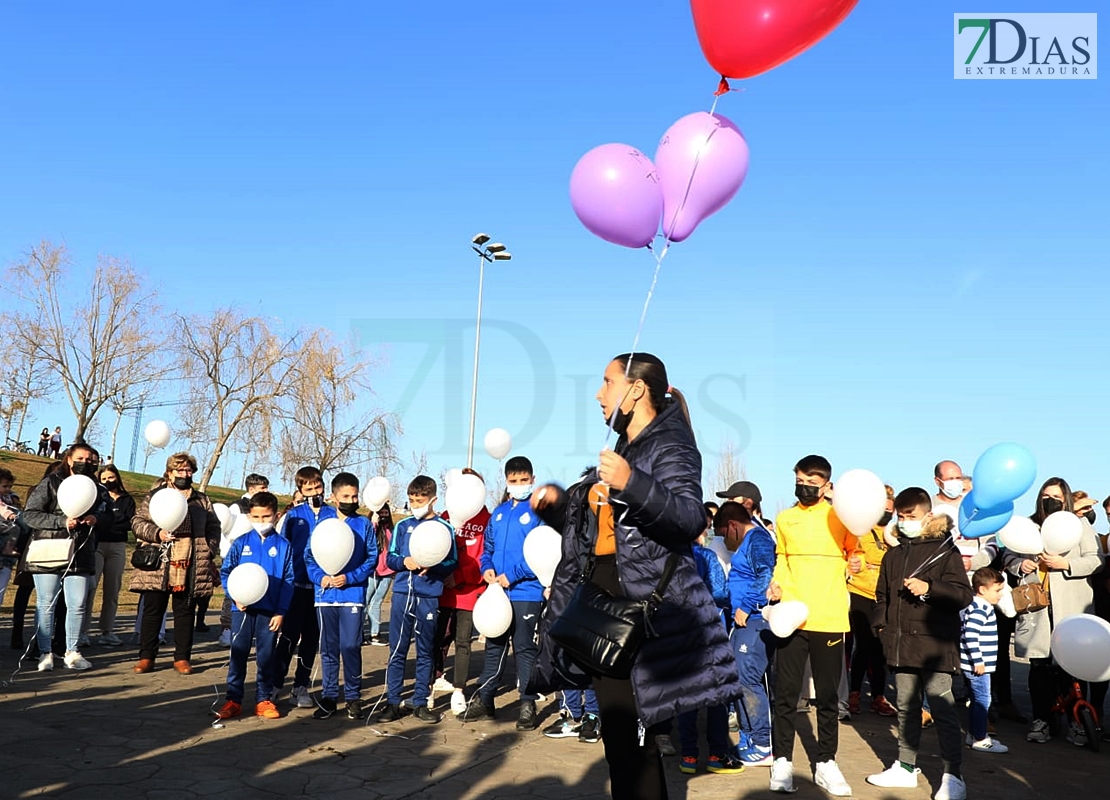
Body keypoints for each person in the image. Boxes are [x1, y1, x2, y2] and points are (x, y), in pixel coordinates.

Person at [530, 352, 742, 800]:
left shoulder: (670, 446)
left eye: (607, 382)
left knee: (634, 740)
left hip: (641, 609)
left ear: (637, 389)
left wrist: (630, 482)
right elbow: (600, 533)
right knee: (621, 740)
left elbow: (688, 519)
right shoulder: (624, 448)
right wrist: (557, 507)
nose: (598, 393)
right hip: (605, 602)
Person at [866, 488, 972, 800]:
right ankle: (905, 767)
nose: (905, 521)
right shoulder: (893, 554)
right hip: (899, 644)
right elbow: (881, 597)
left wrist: (930, 588)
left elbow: (962, 595)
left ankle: (953, 775)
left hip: (935, 646)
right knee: (905, 708)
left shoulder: (945, 550)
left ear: (927, 516)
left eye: (910, 517)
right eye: (901, 516)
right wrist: (881, 626)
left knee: (942, 707)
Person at [766, 455, 858, 796]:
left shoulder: (842, 517)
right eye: (800, 479)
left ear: (827, 486)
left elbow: (855, 554)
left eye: (812, 481)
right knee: (787, 693)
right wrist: (776, 585)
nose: (804, 486)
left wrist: (857, 561)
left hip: (830, 617)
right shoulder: (785, 519)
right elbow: (782, 559)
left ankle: (826, 762)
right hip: (791, 615)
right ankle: (782, 761)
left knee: (829, 696)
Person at [1004, 477, 1101, 745]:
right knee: (1040, 668)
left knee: (1071, 667)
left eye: (1057, 496)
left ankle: (1077, 722)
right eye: (1046, 495)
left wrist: (1065, 564)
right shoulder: (1029, 525)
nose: (1051, 500)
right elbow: (1008, 555)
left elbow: (1096, 560)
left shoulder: (1078, 525)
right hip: (1037, 607)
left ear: (1066, 498)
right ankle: (1041, 720)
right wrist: (1019, 565)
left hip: (1071, 606)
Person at [460, 456, 545, 730]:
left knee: (524, 647)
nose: (518, 485)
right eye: (513, 481)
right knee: (493, 646)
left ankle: (527, 704)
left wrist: (515, 575)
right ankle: (485, 700)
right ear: (506, 481)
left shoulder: (540, 513)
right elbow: (488, 549)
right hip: (497, 592)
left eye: (523, 480)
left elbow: (542, 553)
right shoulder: (498, 513)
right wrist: (486, 569)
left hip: (526, 592)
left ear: (532, 480)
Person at [18, 444, 110, 671]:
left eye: (90, 459)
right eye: (81, 458)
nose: (86, 462)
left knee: (77, 604)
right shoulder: (50, 483)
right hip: (49, 550)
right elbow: (30, 514)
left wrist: (96, 519)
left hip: (81, 553)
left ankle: (72, 651)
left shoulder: (98, 489)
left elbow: (111, 516)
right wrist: (61, 522)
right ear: (69, 459)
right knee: (46, 603)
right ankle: (45, 652)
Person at [129, 451, 221, 675]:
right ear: (169, 473)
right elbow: (138, 522)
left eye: (188, 470)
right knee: (153, 610)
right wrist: (156, 533)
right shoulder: (155, 497)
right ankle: (146, 657)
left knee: (185, 611)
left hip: (190, 562)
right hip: (159, 562)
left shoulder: (202, 500)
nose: (184, 473)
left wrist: (209, 547)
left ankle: (182, 658)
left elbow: (214, 526)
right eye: (179, 470)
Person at [378, 475, 457, 724]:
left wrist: (433, 566)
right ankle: (393, 701)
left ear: (433, 499)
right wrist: (405, 562)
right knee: (397, 649)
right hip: (402, 595)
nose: (415, 504)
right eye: (411, 500)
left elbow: (452, 561)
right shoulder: (403, 526)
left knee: (425, 651)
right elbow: (390, 559)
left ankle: (421, 702)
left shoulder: (445, 529)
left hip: (429, 597)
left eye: (420, 500)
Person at [215, 491, 294, 721]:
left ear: (276, 515)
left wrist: (281, 612)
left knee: (266, 656)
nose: (261, 522)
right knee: (238, 654)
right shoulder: (240, 543)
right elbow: (227, 572)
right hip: (242, 610)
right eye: (257, 517)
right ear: (249, 516)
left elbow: (288, 580)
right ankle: (233, 699)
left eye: (266, 517)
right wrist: (234, 595)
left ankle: (263, 699)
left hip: (269, 611)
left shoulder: (283, 546)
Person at [304, 472, 376, 720]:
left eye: (355, 496)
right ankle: (329, 696)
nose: (351, 500)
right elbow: (309, 556)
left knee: (351, 646)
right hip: (325, 596)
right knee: (328, 648)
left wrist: (350, 577)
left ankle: (354, 697)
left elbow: (371, 559)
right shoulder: (321, 525)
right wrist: (319, 578)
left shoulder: (364, 525)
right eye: (346, 496)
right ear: (334, 497)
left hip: (352, 595)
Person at [676, 524, 743, 775]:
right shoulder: (705, 557)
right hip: (709, 632)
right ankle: (717, 754)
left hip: (679, 636)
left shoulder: (666, 559)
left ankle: (689, 756)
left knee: (686, 697)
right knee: (717, 696)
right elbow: (719, 592)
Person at [714, 501, 777, 767]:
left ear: (733, 526)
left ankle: (763, 744)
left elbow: (765, 574)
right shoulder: (745, 543)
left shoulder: (758, 540)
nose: (723, 541)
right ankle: (748, 737)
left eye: (722, 534)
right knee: (738, 679)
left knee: (748, 679)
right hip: (740, 620)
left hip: (753, 619)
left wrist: (747, 605)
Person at [274, 466, 335, 708]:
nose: (313, 491)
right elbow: (284, 549)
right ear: (300, 490)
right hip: (297, 585)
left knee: (311, 639)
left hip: (322, 588)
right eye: (308, 488)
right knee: (288, 637)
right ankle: (275, 684)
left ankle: (301, 686)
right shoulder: (294, 516)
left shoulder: (333, 514)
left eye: (317, 486)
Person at [434, 469, 490, 716]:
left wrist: (460, 576)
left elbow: (484, 557)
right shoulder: (446, 516)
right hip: (443, 591)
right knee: (438, 639)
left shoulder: (488, 519)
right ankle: (433, 680)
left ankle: (459, 690)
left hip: (469, 593)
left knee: (463, 642)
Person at [845, 484, 897, 718]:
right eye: (882, 508)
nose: (887, 513)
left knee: (881, 648)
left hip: (885, 596)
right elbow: (852, 554)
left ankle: (878, 696)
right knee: (864, 644)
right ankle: (854, 692)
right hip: (861, 591)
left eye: (890, 508)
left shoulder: (896, 532)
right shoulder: (860, 529)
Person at [81, 464, 134, 646]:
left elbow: (129, 522)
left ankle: (107, 631)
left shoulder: (127, 499)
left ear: (117, 478)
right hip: (97, 545)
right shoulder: (97, 496)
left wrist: (109, 523)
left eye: (111, 478)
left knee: (112, 591)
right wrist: (106, 522)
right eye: (104, 479)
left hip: (118, 546)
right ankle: (83, 632)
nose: (108, 481)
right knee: (90, 589)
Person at [960, 567, 1008, 753]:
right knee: (982, 699)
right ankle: (980, 737)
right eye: (997, 590)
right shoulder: (981, 608)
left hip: (976, 663)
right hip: (978, 665)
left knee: (977, 698)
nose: (1000, 595)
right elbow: (971, 634)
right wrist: (978, 661)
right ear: (982, 589)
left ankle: (974, 733)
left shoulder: (975, 605)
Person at [364, 503, 395, 647]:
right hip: (372, 571)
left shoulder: (391, 530)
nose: (383, 515)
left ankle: (375, 633)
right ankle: (358, 633)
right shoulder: (371, 527)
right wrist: (374, 523)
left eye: (385, 513)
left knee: (377, 601)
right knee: (364, 602)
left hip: (387, 572)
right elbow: (368, 539)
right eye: (380, 513)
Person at [0, 468, 23, 602]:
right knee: (15, 529)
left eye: (10, 486)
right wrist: (10, 515)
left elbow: (12, 494)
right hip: (3, 522)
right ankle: (9, 547)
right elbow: (1, 508)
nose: (8, 489)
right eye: (5, 486)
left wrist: (14, 496)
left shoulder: (7, 496)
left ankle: (8, 547)